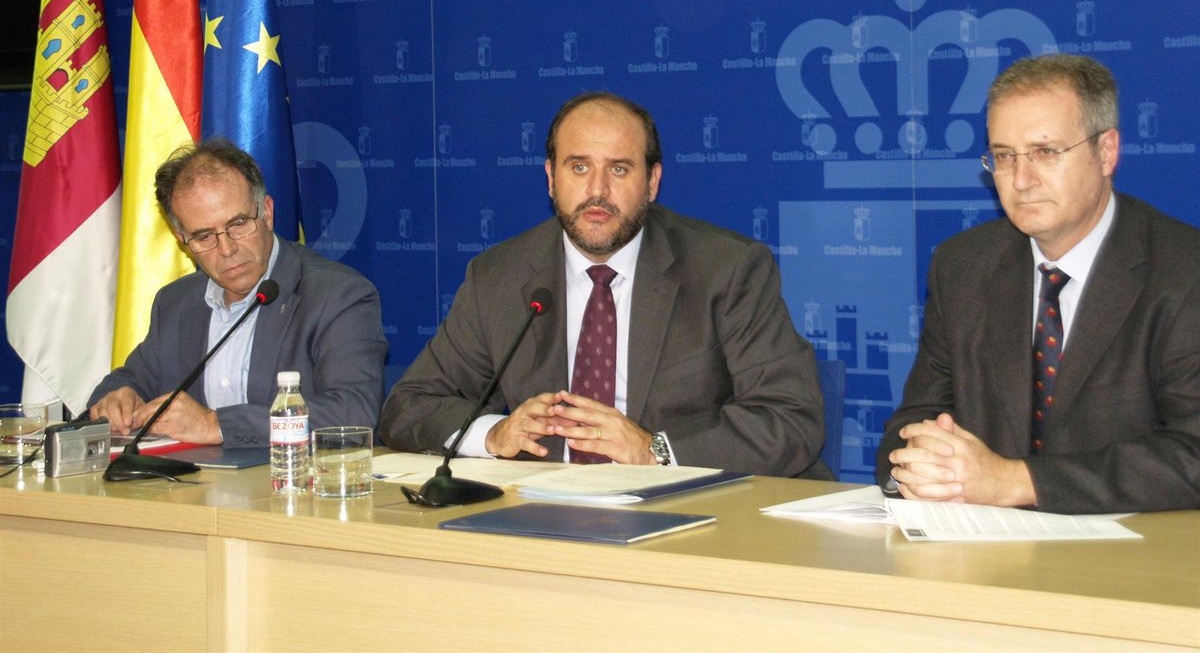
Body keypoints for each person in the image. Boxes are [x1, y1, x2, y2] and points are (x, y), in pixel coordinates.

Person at [379, 92, 827, 478]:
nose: (597, 191)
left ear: (652, 182)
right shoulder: (499, 277)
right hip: (542, 515)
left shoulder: (726, 270)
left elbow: (791, 418)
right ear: (551, 178)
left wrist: (654, 451)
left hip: (686, 511)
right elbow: (409, 405)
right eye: (578, 167)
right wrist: (493, 434)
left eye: (619, 169)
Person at [878, 54, 1200, 513]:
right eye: (1004, 156)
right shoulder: (962, 266)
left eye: (1045, 152)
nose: (1021, 180)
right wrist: (920, 467)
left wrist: (1016, 481)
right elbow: (916, 420)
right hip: (984, 544)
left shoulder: (1184, 271)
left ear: (1106, 152)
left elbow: (1192, 452)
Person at [88, 139, 387, 447]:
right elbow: (130, 379)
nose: (227, 249)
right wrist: (117, 398)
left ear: (267, 213)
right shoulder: (176, 302)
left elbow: (353, 413)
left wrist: (215, 425)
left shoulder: (337, 295)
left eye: (239, 224)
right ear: (183, 240)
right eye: (204, 236)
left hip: (294, 475)